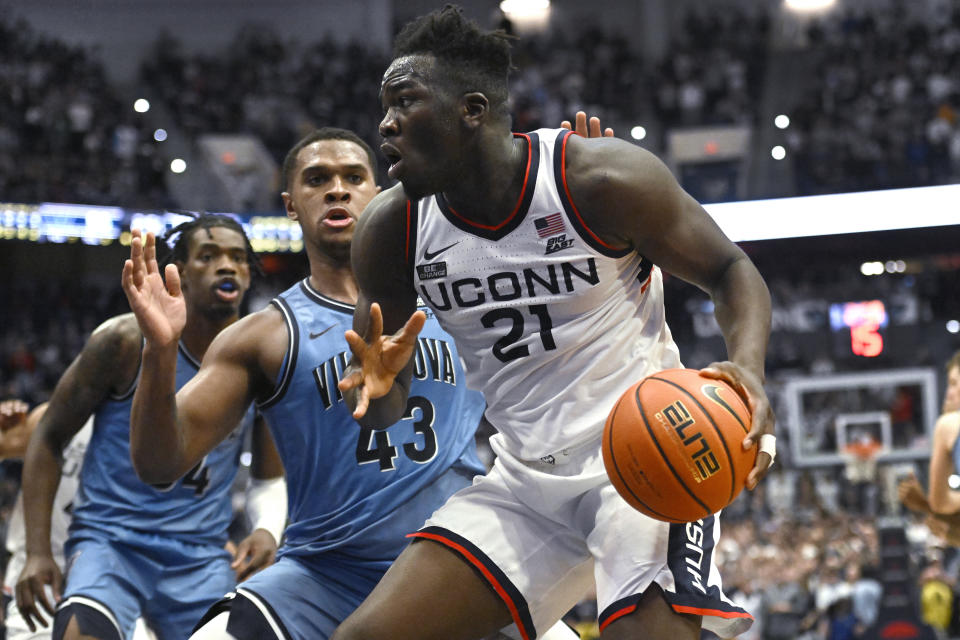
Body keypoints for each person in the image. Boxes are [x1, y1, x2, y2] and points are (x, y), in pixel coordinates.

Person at [334, 6, 776, 640]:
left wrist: (750, 370)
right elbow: (383, 410)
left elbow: (731, 270)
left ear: (473, 109)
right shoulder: (389, 230)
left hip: (645, 456)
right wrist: (379, 394)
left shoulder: (597, 179)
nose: (385, 124)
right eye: (384, 106)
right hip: (524, 481)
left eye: (404, 103)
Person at [123, 122, 594, 640]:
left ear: (382, 192)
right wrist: (160, 351)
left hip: (458, 560)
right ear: (290, 204)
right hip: (325, 575)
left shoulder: (456, 294)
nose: (337, 189)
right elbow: (158, 463)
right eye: (317, 178)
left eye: (353, 176)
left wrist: (584, 211)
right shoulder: (263, 335)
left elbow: (571, 315)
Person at [17, 214, 286, 640]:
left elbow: (269, 476)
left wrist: (266, 529)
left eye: (238, 258)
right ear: (176, 269)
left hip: (199, 557)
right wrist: (36, 553)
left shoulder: (260, 359)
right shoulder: (122, 341)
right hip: (110, 543)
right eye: (209, 255)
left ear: (250, 276)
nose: (227, 266)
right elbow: (48, 436)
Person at [0, 401, 156, 640]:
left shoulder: (155, 429)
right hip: (39, 577)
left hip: (111, 577)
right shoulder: (58, 413)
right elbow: (5, 446)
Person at [899, 350, 960, 537]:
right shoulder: (948, 427)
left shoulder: (948, 426)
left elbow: (940, 503)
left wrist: (926, 505)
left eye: (954, 384)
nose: (948, 393)